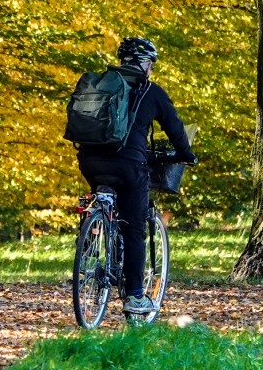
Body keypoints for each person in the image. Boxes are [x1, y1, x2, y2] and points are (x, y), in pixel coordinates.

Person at [75, 37, 195, 315]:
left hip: (89, 162)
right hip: (129, 166)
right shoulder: (150, 91)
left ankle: (93, 236)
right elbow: (175, 129)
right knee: (134, 228)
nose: (151, 70)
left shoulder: (100, 84)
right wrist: (186, 154)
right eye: (150, 64)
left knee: (103, 197)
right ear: (145, 64)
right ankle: (135, 297)